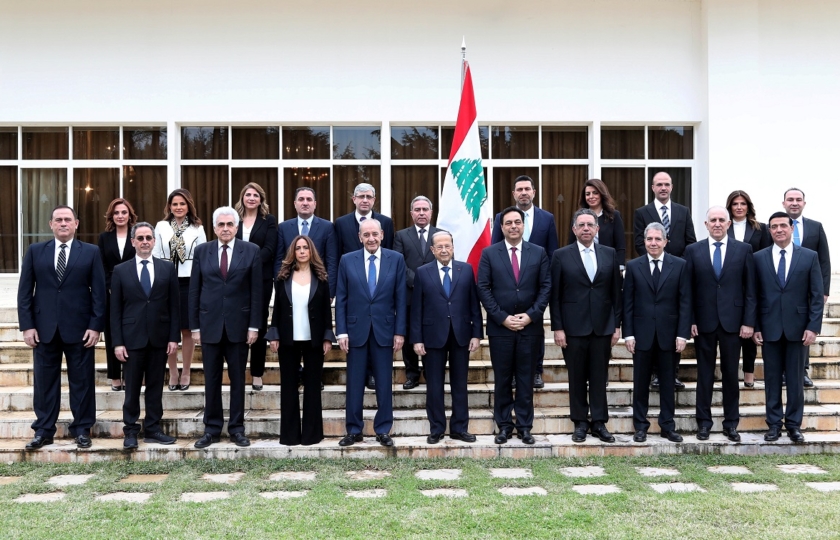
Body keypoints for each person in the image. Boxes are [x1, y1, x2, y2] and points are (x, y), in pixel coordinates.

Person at [18, 205, 106, 450]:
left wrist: (95, 326)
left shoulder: (90, 252)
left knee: (82, 382)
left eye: (68, 219)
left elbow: (99, 293)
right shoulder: (35, 251)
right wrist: (27, 326)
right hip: (43, 329)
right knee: (44, 382)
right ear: (51, 224)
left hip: (80, 329)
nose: (63, 223)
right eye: (58, 220)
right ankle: (44, 430)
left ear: (76, 224)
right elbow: (25, 292)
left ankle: (82, 429)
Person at [189, 207, 262, 448]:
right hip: (209, 327)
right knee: (211, 380)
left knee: (238, 379)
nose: (225, 228)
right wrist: (195, 327)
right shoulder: (202, 251)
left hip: (239, 327)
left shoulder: (251, 251)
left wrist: (254, 326)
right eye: (221, 224)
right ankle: (211, 429)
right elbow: (194, 291)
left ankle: (237, 429)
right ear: (214, 228)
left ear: (237, 227)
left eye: (230, 224)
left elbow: (256, 293)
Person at [478, 206, 551, 445]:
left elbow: (545, 287)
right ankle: (504, 426)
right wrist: (502, 317)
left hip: (530, 328)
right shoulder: (490, 253)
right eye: (508, 223)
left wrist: (531, 315)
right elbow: (483, 288)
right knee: (502, 379)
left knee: (525, 379)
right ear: (502, 227)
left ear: (523, 225)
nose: (513, 226)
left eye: (517, 222)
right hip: (501, 329)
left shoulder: (538, 252)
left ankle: (524, 426)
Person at [684, 206, 756, 443]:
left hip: (733, 324)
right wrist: (690, 320)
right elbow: (688, 290)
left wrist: (748, 322)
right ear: (705, 225)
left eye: (721, 220)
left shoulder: (744, 249)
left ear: (728, 224)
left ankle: (730, 424)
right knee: (704, 374)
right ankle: (703, 424)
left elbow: (750, 290)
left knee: (729, 375)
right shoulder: (692, 250)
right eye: (712, 220)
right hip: (703, 323)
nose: (717, 223)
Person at [550, 209, 622, 444]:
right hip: (573, 328)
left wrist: (617, 325)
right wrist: (557, 328)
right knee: (577, 376)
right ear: (574, 229)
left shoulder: (610, 254)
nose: (586, 229)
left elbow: (615, 294)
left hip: (602, 326)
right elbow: (555, 296)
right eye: (581, 225)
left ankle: (599, 422)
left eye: (590, 225)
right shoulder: (561, 255)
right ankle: (580, 422)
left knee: (599, 376)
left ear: (597, 229)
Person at [753, 212, 824, 444]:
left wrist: (813, 327)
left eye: (783, 225)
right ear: (770, 231)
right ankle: (774, 425)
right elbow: (753, 295)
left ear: (792, 228)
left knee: (795, 380)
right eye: (774, 227)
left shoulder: (809, 257)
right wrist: (755, 326)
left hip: (798, 329)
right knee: (772, 380)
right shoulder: (759, 258)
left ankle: (794, 425)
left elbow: (816, 295)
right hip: (769, 327)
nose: (779, 230)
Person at [335, 218, 406, 447]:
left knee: (384, 383)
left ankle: (383, 429)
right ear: (360, 237)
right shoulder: (347, 260)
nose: (371, 238)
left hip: (385, 331)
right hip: (355, 332)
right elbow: (342, 299)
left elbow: (401, 299)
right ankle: (353, 430)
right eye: (366, 235)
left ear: (382, 235)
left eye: (374, 234)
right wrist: (342, 331)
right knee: (354, 383)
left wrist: (400, 332)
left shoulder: (396, 259)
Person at [109, 222, 180, 449]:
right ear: (133, 242)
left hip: (159, 338)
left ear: (154, 241)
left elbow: (174, 306)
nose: (145, 242)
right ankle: (130, 430)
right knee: (131, 389)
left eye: (148, 237)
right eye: (140, 238)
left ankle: (153, 428)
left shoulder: (167, 269)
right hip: (131, 340)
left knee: (155, 386)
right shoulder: (121, 271)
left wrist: (173, 337)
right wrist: (117, 342)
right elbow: (115, 310)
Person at [411, 230, 483, 444]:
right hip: (432, 336)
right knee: (434, 385)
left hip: (461, 335)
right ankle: (437, 428)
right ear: (432, 250)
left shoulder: (466, 270)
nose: (444, 250)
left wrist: (476, 334)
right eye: (439, 247)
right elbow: (417, 308)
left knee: (460, 383)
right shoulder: (423, 272)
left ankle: (460, 428)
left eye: (447, 246)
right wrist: (417, 339)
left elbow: (474, 305)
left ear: (453, 247)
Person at [623, 222, 691, 443]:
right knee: (640, 383)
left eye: (657, 239)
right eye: (649, 239)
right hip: (641, 334)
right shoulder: (633, 266)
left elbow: (685, 302)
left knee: (668, 383)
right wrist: (629, 334)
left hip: (669, 335)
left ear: (665, 241)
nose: (653, 243)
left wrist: (682, 334)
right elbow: (628, 303)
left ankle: (667, 426)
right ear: (644, 242)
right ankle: (640, 426)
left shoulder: (680, 265)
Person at [490, 175, 558, 388]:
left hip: (535, 285)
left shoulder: (546, 218)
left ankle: (537, 370)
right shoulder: (503, 217)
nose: (524, 193)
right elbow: (494, 249)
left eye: (527, 189)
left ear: (534, 192)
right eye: (519, 189)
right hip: (508, 285)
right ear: (514, 194)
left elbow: (552, 251)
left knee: (535, 330)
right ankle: (510, 373)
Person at [267, 235, 334, 446]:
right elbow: (277, 309)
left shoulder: (321, 277)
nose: (302, 251)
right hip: (288, 339)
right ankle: (290, 435)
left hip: (313, 340)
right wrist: (274, 334)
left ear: (311, 251)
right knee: (288, 386)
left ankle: (312, 435)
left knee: (313, 387)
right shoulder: (283, 277)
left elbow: (326, 312)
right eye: (298, 248)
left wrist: (327, 337)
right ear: (293, 252)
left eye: (306, 247)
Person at [633, 171, 696, 389]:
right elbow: (640, 243)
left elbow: (690, 241)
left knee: (673, 324)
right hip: (651, 272)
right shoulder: (642, 212)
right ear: (652, 187)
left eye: (666, 184)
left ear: (671, 187)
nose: (663, 188)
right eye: (658, 184)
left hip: (676, 274)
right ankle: (653, 374)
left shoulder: (683, 211)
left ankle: (672, 373)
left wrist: (674, 265)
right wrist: (656, 258)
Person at [334, 182, 394, 390]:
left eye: (369, 196)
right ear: (354, 199)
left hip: (379, 290)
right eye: (361, 196)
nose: (365, 200)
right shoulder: (341, 223)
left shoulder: (386, 222)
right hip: (354, 289)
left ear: (374, 200)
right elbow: (335, 254)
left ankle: (373, 375)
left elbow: (391, 257)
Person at [152, 188, 206, 391]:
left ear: (188, 205)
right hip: (166, 279)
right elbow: (156, 254)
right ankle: (173, 372)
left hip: (189, 281)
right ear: (169, 206)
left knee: (186, 328)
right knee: (169, 329)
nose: (178, 207)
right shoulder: (161, 226)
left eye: (182, 204)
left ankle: (186, 371)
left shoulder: (197, 228)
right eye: (175, 204)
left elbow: (202, 256)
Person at [782, 187, 831, 388]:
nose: (794, 203)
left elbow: (824, 260)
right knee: (783, 329)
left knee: (806, 328)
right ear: (783, 203)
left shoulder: (815, 227)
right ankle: (784, 371)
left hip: (808, 288)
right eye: (790, 199)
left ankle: (802, 371)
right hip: (782, 287)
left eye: (798, 199)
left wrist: (824, 290)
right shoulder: (776, 225)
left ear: (804, 203)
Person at [725, 190, 771, 387]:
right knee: (732, 331)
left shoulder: (760, 228)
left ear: (748, 206)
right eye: (735, 204)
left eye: (742, 203)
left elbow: (767, 254)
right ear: (730, 207)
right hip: (730, 285)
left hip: (754, 283)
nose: (739, 207)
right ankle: (729, 372)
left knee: (751, 329)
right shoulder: (724, 227)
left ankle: (749, 372)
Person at [234, 182, 277, 391]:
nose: (251, 198)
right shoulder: (233, 219)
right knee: (238, 324)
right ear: (242, 197)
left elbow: (270, 248)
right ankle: (239, 370)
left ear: (261, 199)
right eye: (248, 194)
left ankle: (257, 373)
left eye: (256, 195)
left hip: (261, 278)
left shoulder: (268, 221)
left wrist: (248, 262)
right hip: (235, 279)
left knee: (258, 324)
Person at [394, 195, 439, 390]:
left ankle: (430, 373)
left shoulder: (441, 234)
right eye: (417, 210)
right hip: (409, 296)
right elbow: (399, 264)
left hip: (435, 296)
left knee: (431, 335)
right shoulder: (401, 236)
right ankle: (412, 374)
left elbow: (445, 261)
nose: (421, 213)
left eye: (425, 209)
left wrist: (429, 283)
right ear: (411, 213)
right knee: (409, 335)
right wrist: (419, 281)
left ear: (431, 212)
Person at [98, 198, 137, 391]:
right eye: (116, 213)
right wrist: (110, 286)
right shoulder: (104, 238)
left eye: (123, 212)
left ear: (130, 215)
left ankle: (132, 373)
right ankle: (114, 375)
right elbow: (102, 265)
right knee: (112, 333)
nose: (120, 216)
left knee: (133, 332)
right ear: (111, 216)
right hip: (110, 291)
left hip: (134, 290)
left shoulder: (137, 235)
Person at [274, 186, 338, 297]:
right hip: (290, 287)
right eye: (301, 199)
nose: (305, 203)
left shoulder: (327, 227)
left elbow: (331, 261)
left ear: (315, 204)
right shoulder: (283, 228)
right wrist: (279, 289)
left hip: (319, 287)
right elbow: (279, 260)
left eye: (309, 199)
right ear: (295, 204)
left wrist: (330, 293)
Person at [566, 178, 627, 267]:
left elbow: (620, 245)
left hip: (608, 265)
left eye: (595, 193)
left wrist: (620, 266)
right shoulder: (579, 217)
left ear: (602, 194)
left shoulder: (614, 216)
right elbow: (571, 243)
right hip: (582, 264)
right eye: (587, 194)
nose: (591, 196)